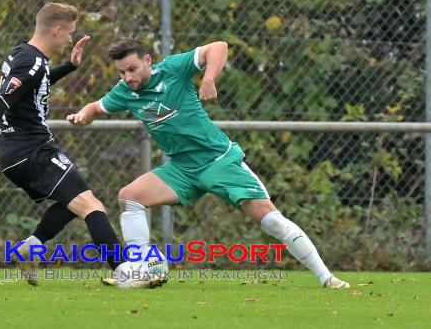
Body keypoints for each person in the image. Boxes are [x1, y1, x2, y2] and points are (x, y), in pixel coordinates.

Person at [67, 38, 350, 289]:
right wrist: (83, 114)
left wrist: (208, 79)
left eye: (132, 69)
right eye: (121, 72)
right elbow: (96, 107)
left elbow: (219, 47)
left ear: (147, 61)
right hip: (181, 168)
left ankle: (327, 278)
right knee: (130, 197)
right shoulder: (125, 91)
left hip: (218, 160)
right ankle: (141, 269)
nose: (127, 77)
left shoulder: (174, 69)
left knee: (273, 222)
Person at [0, 4, 161, 289]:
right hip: (29, 150)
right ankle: (125, 272)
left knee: (72, 202)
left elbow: (36, 84)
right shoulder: (32, 62)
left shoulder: (22, 54)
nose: (70, 40)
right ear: (57, 29)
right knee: (92, 206)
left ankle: (32, 246)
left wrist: (70, 67)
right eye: (70, 33)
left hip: (17, 150)